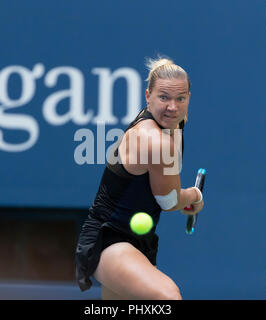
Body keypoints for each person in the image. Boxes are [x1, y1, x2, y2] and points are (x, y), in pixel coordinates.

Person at [75, 56, 204, 300]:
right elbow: (168, 201)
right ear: (148, 96)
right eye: (163, 97)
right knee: (167, 298)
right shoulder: (155, 140)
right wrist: (194, 196)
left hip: (136, 242)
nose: (172, 107)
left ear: (188, 98)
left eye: (180, 98)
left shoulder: (174, 122)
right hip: (109, 240)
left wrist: (183, 198)